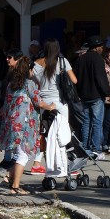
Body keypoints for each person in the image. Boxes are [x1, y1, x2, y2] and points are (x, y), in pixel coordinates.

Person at [0, 53, 49, 194]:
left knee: (20, 154)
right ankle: (15, 187)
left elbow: (5, 106)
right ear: (28, 70)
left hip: (12, 123)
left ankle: (9, 178)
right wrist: (51, 106)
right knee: (23, 155)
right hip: (25, 124)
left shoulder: (11, 85)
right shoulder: (29, 84)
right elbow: (38, 102)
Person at [33, 39, 76, 182]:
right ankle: (65, 165)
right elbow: (74, 80)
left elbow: (32, 81)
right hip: (60, 102)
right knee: (62, 135)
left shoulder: (37, 63)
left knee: (46, 135)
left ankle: (42, 164)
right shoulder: (62, 62)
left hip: (43, 104)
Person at [72, 35, 110, 157]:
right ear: (96, 47)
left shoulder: (80, 60)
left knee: (86, 122)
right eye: (101, 46)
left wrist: (78, 93)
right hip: (96, 95)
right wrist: (107, 92)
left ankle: (85, 147)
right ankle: (96, 149)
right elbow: (100, 78)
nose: (102, 48)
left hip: (84, 96)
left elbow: (76, 79)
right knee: (97, 122)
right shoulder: (98, 59)